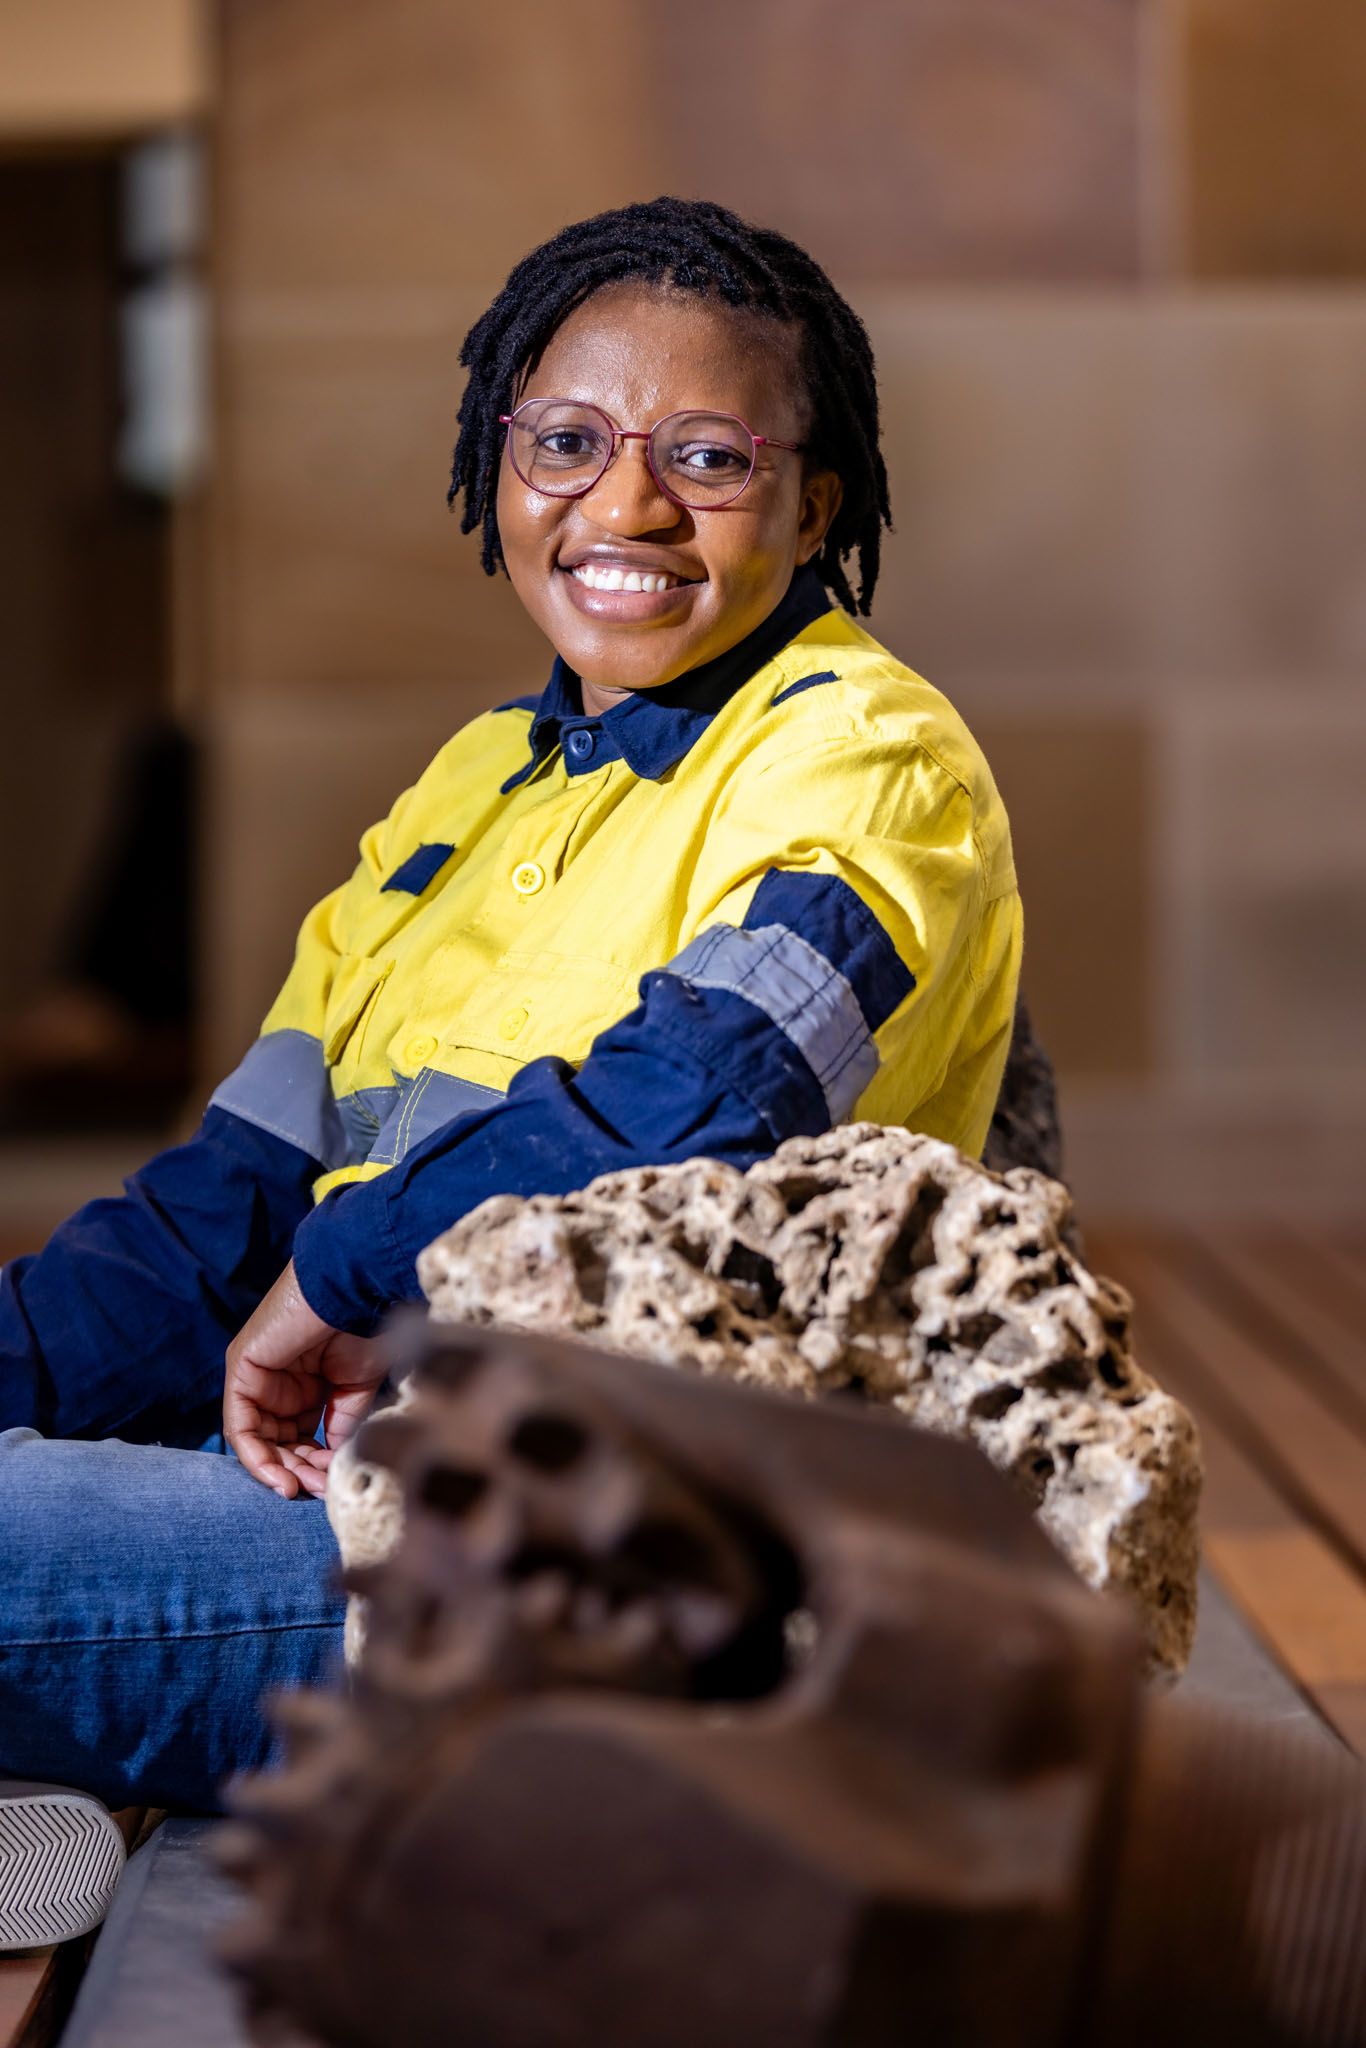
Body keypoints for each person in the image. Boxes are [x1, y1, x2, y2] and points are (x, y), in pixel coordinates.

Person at [0, 199, 1021, 1845]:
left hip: (606, 1572)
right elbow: (219, 1222)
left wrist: (346, 1270)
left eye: (707, 456)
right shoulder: (472, 784)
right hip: (372, 1491)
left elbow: (699, 1111)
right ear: (498, 459)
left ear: (813, 498)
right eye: (564, 440)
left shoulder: (865, 760)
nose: (623, 505)